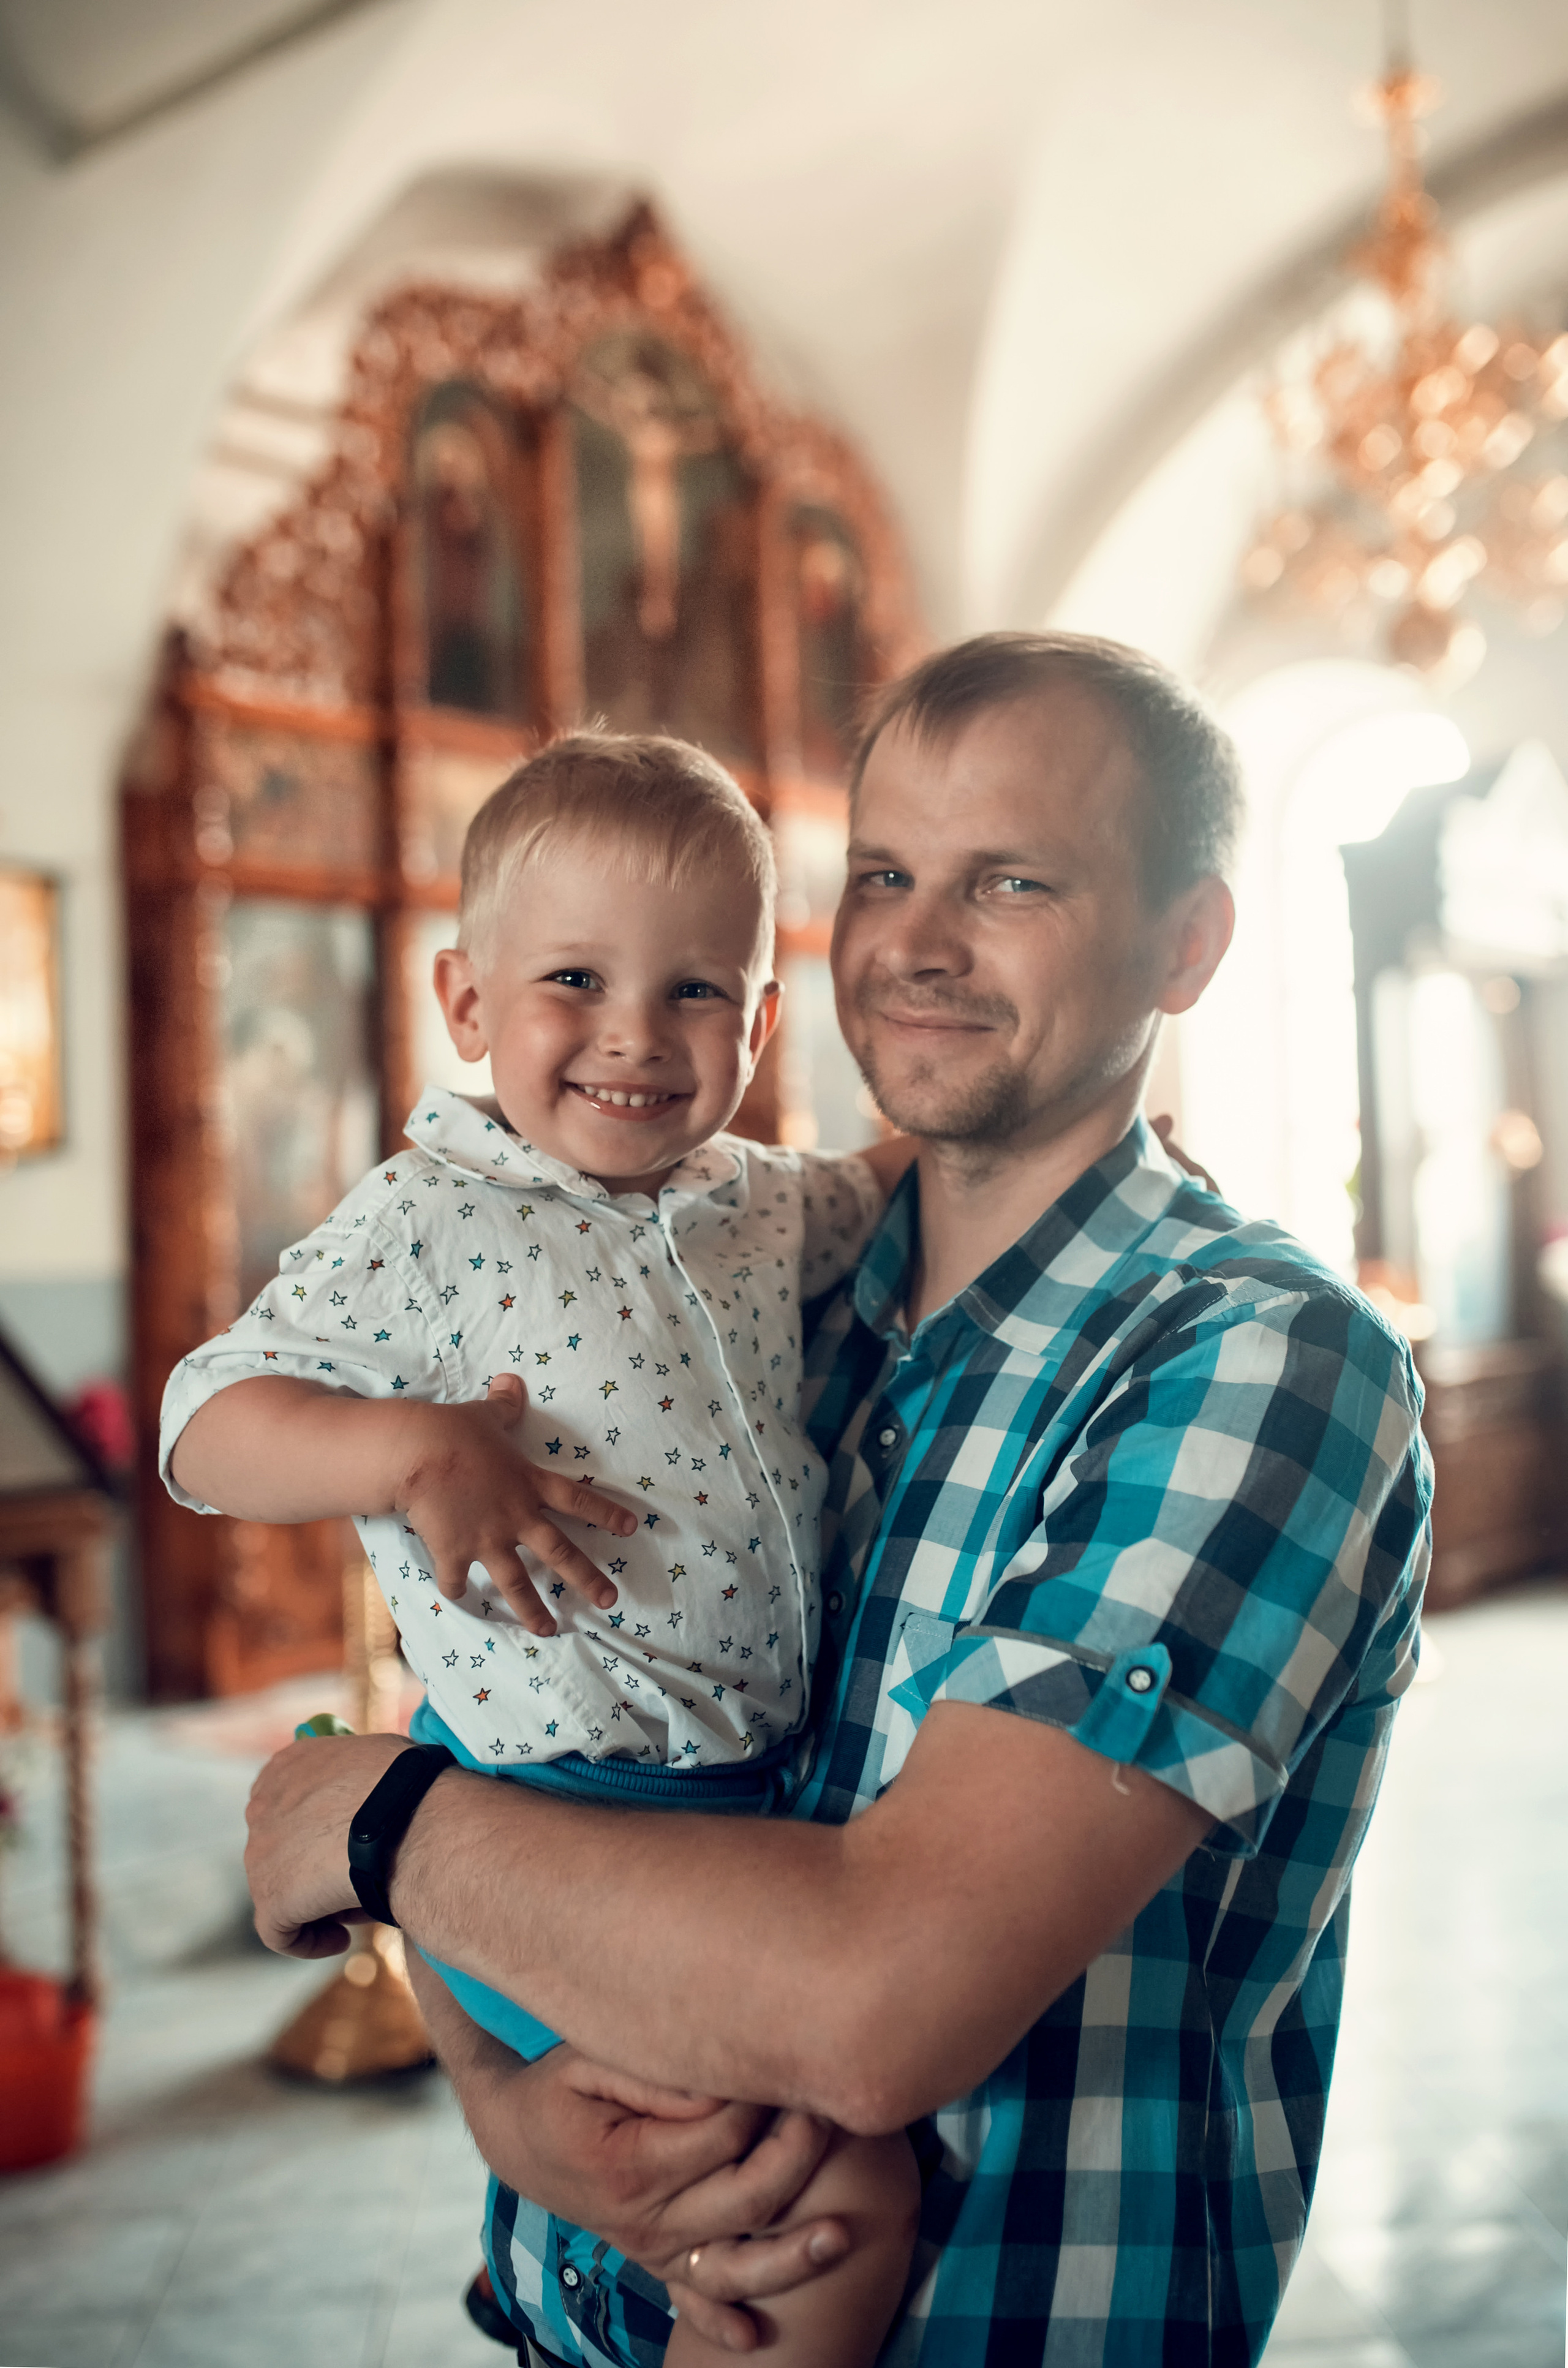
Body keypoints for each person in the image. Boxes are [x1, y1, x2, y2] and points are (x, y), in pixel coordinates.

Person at [242, 632, 1433, 2368]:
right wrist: (506, 2090)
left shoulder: (1254, 1361)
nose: (920, 943)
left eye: (1011, 878)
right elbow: (537, 1710)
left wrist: (373, 1822)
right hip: (581, 2312)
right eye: (884, 873)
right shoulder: (768, 1299)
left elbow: (880, 2007)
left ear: (1188, 942)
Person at [162, 733, 924, 2367]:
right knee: (820, 2186)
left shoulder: (761, 1201)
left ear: (761, 1020)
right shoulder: (429, 1216)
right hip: (555, 1814)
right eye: (574, 977)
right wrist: (416, 1445)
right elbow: (203, 1419)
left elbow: (887, 1181)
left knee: (746, 2190)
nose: (636, 1036)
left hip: (756, 1815)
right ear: (465, 1002)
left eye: (698, 991)